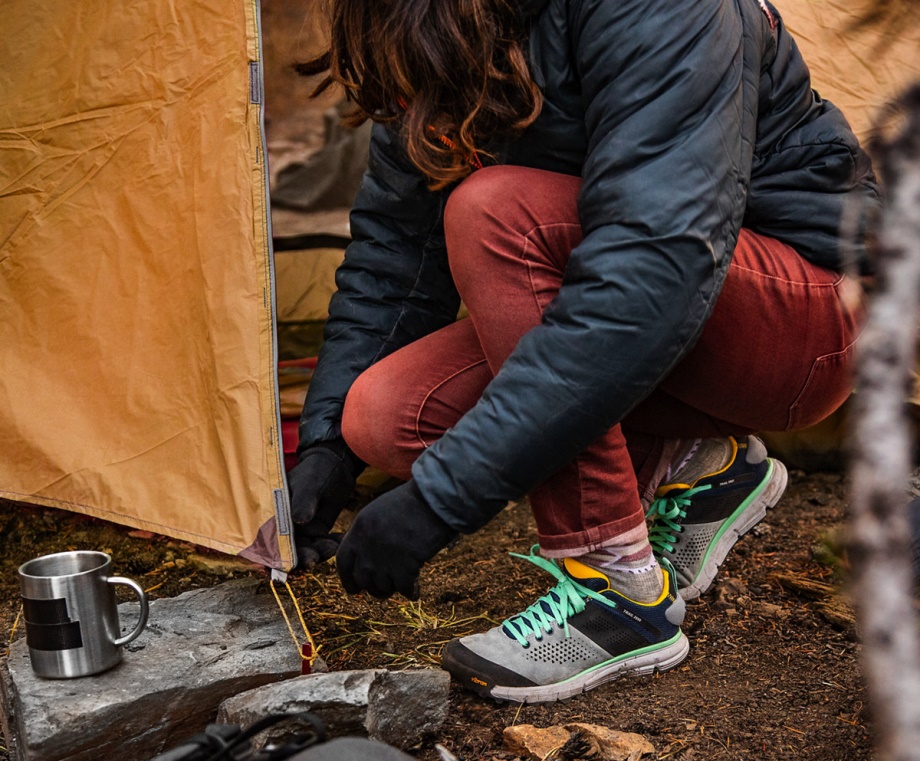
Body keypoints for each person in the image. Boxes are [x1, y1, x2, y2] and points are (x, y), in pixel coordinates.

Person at [288, 0, 879, 704]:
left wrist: (441, 501)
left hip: (809, 317)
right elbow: (395, 253)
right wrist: (325, 450)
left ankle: (619, 591)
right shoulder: (428, 33)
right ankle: (703, 466)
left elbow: (653, 270)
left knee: (493, 210)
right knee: (383, 415)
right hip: (669, 312)